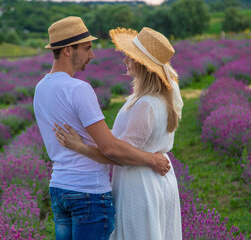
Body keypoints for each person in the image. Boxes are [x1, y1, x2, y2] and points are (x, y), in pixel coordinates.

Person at [33, 17, 171, 240]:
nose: (92, 55)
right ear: (68, 50)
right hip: (89, 194)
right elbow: (110, 148)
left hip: (58, 188)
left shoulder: (40, 88)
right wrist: (151, 160)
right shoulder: (79, 89)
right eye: (87, 48)